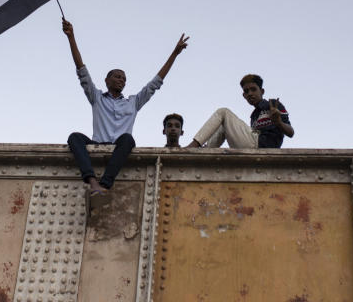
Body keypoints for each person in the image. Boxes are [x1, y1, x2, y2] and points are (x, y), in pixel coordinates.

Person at [63, 18, 188, 200]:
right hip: (97, 143)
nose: (122, 80)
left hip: (119, 147)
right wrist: (71, 37)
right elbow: (81, 69)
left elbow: (155, 83)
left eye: (124, 78)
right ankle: (91, 181)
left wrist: (175, 53)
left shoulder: (133, 102)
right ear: (107, 80)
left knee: (128, 139)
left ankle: (105, 184)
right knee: (74, 137)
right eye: (117, 76)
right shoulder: (97, 97)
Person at [186, 74, 294, 148]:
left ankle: (194, 146)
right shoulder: (254, 116)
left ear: (262, 91)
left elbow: (291, 133)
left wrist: (278, 122)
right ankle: (206, 150)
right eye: (246, 91)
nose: (250, 94)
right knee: (224, 124)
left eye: (253, 89)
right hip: (254, 146)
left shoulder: (273, 105)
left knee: (223, 112)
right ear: (244, 96)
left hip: (264, 145)